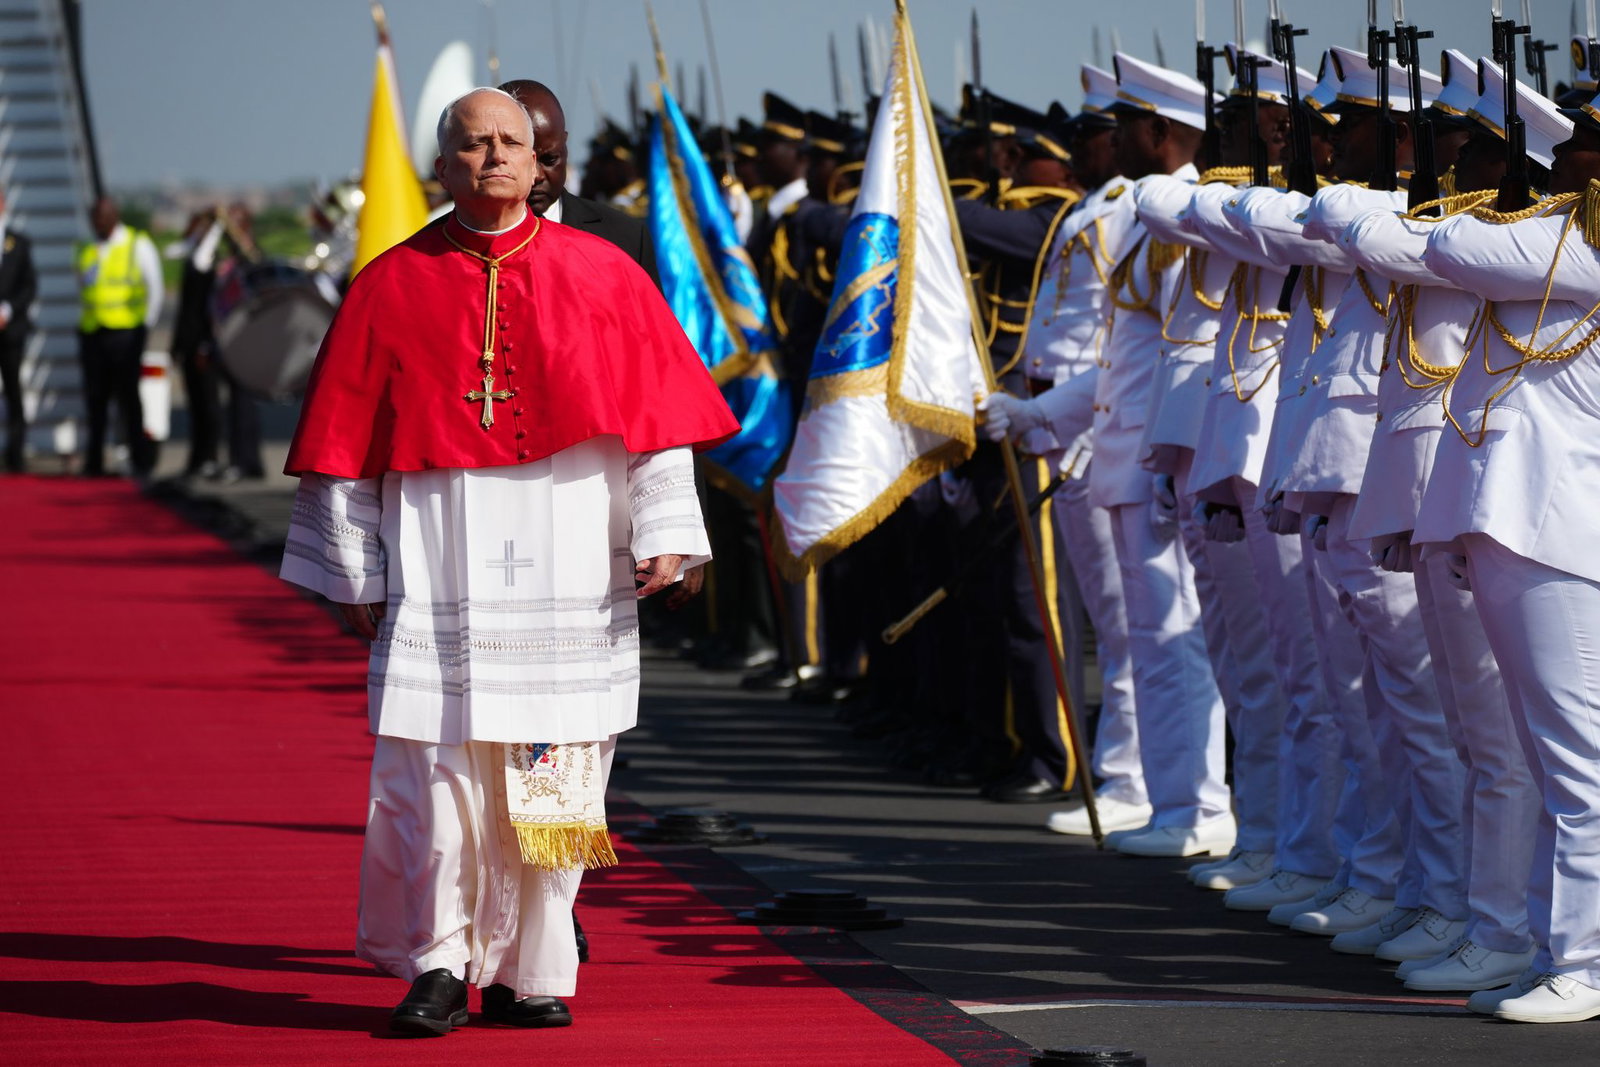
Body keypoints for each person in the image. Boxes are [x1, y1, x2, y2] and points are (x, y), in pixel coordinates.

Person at [278, 87, 737, 1036]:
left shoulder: (607, 274)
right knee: (434, 781)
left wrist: (665, 531)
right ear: (440, 167)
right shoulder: (389, 283)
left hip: (574, 552)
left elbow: (659, 431)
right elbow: (343, 442)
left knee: (564, 771)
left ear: (541, 164)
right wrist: (355, 569)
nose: (491, 156)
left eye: (508, 142)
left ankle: (539, 962)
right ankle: (440, 962)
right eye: (470, 143)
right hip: (442, 557)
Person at [498, 79, 658, 286]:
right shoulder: (448, 242)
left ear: (564, 145)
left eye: (549, 160)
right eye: (521, 163)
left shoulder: (626, 238)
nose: (536, 176)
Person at [76, 196, 163, 478]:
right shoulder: (88, 247)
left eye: (101, 218)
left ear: (114, 216)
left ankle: (139, 460)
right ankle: (94, 461)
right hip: (93, 331)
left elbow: (155, 289)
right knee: (95, 399)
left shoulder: (137, 244)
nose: (97, 224)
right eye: (94, 219)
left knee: (129, 398)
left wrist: (144, 327)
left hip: (126, 333)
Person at [0, 188, 37, 473]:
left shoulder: (20, 243)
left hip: (11, 330)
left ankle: (15, 454)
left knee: (14, 390)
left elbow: (29, 286)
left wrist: (8, 310)